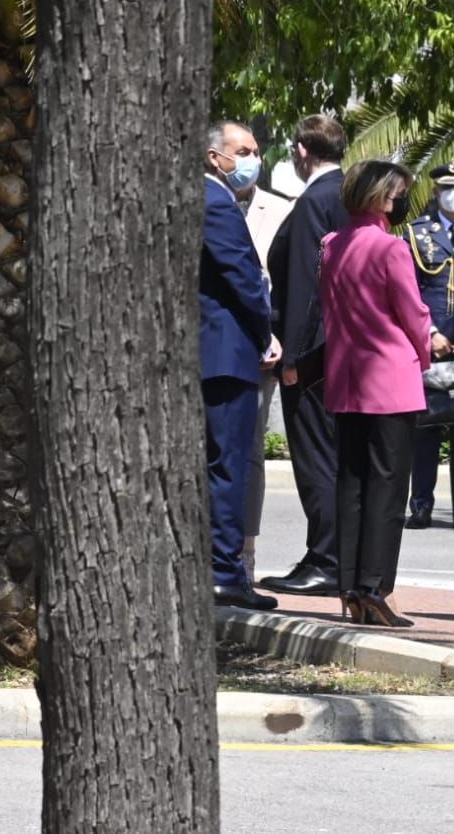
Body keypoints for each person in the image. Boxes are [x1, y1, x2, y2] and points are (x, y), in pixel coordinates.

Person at [320, 160, 432, 627]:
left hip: (346, 378)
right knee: (388, 490)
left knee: (352, 485)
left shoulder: (330, 244)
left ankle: (350, 586)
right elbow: (412, 313)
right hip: (391, 381)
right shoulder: (391, 248)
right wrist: (426, 351)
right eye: (398, 193)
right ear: (384, 197)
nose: (402, 201)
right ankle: (375, 587)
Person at [260, 114, 349, 597]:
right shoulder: (347, 193)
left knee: (316, 457)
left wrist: (292, 355)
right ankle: (339, 555)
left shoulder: (316, 198)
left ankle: (326, 557)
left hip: (314, 353)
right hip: (342, 347)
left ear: (300, 150)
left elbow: (308, 284)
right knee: (335, 456)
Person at [201, 121, 279, 610]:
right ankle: (225, 572)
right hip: (226, 353)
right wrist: (266, 330)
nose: (253, 159)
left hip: (214, 350)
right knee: (229, 467)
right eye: (243, 150)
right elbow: (244, 279)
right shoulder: (216, 203)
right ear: (215, 157)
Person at [222, 116, 292, 583]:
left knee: (248, 454)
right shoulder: (201, 201)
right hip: (212, 344)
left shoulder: (281, 210)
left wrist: (277, 336)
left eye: (255, 152)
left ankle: (244, 552)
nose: (251, 160)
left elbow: (287, 281)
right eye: (241, 152)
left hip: (260, 349)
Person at [407, 162, 454, 532]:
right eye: (445, 188)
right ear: (436, 192)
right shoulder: (417, 234)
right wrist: (430, 333)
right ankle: (420, 505)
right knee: (425, 429)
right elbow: (409, 291)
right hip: (431, 343)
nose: (452, 193)